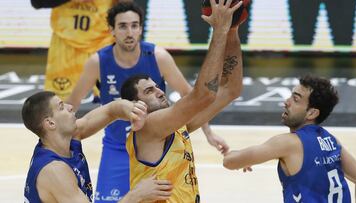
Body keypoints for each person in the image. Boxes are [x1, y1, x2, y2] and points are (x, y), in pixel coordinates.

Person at [66, 1, 229, 201]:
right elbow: (72, 105)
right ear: (112, 30)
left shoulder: (158, 56)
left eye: (134, 25)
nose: (129, 32)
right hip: (116, 148)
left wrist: (209, 133)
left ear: (141, 28)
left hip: (154, 146)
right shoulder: (97, 62)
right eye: (123, 26)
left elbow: (190, 95)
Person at [121, 0, 244, 201]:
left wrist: (232, 29)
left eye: (158, 87)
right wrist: (220, 30)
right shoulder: (148, 127)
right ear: (137, 105)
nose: (160, 92)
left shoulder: (177, 128)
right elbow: (204, 95)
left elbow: (231, 89)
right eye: (149, 91)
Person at [223, 75, 356, 202]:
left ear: (312, 113)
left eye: (295, 99)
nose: (286, 102)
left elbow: (229, 162)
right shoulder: (332, 141)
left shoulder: (287, 143)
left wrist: (243, 157)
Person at [22, 91, 173, 203]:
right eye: (61, 107)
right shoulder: (55, 171)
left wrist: (134, 111)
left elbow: (112, 110)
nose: (70, 107)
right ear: (50, 123)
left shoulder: (67, 138)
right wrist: (137, 194)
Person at [30, 0, 119, 100]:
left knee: (113, 99)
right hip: (66, 43)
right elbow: (37, 2)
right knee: (58, 102)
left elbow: (126, 6)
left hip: (102, 41)